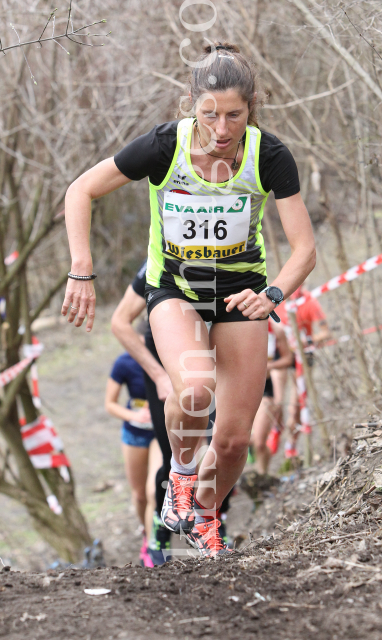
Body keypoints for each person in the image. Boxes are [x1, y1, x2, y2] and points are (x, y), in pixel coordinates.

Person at [62, 41, 316, 557]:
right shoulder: (164, 147)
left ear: (252, 108)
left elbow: (305, 249)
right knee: (195, 388)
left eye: (234, 116)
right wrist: (81, 268)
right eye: (210, 115)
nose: (222, 130)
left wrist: (272, 294)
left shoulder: (269, 155)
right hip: (175, 289)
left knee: (234, 442)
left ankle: (205, 513)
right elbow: (80, 190)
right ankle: (178, 479)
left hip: (241, 294)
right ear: (191, 104)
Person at [111, 262, 234, 563]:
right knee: (177, 454)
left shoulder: (232, 248)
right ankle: (159, 532)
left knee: (225, 446)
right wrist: (157, 374)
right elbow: (119, 322)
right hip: (170, 379)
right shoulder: (159, 259)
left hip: (214, 370)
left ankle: (215, 520)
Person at [105, 351, 162, 567]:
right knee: (139, 496)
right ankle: (146, 534)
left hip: (160, 432)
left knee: (153, 492)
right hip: (135, 433)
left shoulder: (169, 355)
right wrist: (134, 416)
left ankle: (154, 546)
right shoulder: (125, 362)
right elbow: (110, 404)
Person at [272, 285, 331, 458]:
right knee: (277, 401)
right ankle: (276, 428)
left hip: (302, 355)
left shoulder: (310, 301)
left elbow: (326, 333)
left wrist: (305, 340)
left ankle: (291, 444)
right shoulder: (277, 297)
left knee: (295, 407)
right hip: (281, 355)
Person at [250, 321, 294, 474]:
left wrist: (268, 367)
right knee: (246, 441)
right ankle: (261, 473)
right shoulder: (234, 326)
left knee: (259, 442)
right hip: (244, 388)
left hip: (267, 388)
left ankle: (262, 475)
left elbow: (288, 359)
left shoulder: (276, 329)